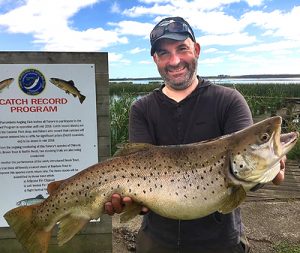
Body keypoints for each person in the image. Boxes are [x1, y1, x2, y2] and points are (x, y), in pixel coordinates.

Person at [105, 16, 286, 253]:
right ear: (155, 59)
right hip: (156, 242)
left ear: (196, 50)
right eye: (164, 53)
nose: (175, 60)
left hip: (221, 243)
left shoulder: (229, 101)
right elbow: (138, 188)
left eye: (182, 49)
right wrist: (131, 203)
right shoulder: (141, 109)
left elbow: (245, 178)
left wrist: (269, 171)